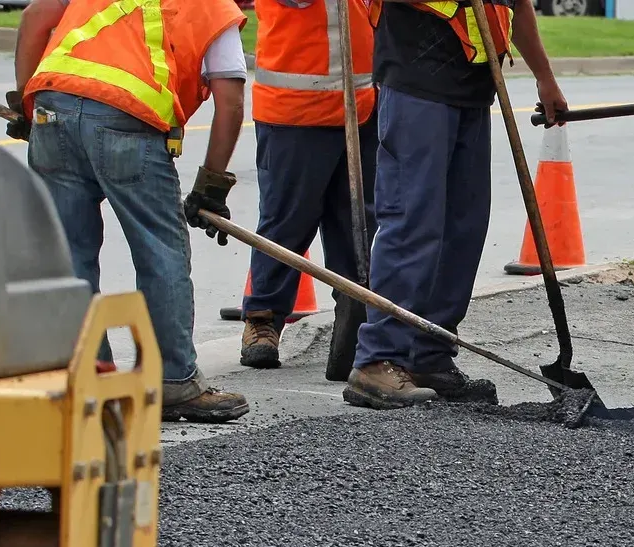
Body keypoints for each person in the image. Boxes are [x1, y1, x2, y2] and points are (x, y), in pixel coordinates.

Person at [11, 0, 251, 423]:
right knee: (161, 252)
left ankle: (90, 378)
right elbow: (229, 100)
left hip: (54, 106)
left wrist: (28, 109)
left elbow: (33, 18)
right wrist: (212, 184)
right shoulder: (214, 7)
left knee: (69, 256)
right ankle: (172, 382)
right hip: (126, 120)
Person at [344, 0, 568, 409]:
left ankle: (429, 352)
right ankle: (379, 359)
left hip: (472, 88)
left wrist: (544, 78)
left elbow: (516, 7)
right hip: (417, 79)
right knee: (413, 221)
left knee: (463, 228)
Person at [240, 0, 378, 370]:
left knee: (358, 224)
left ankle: (355, 315)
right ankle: (263, 319)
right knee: (287, 219)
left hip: (361, 105)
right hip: (294, 108)